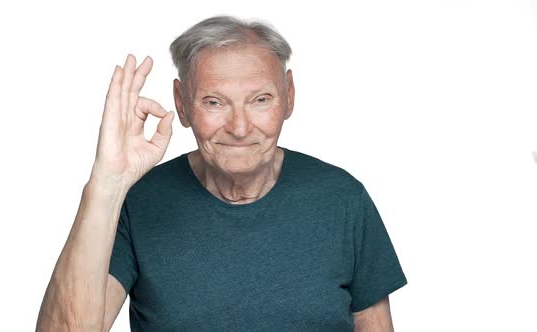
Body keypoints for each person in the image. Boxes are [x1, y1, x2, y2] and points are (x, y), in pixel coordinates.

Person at [36, 15, 407, 331]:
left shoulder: (342, 198)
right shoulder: (137, 202)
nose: (240, 128)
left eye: (260, 100)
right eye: (214, 102)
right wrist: (107, 183)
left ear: (289, 96)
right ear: (182, 105)